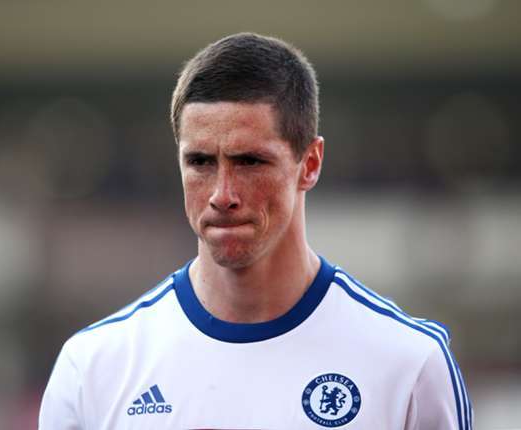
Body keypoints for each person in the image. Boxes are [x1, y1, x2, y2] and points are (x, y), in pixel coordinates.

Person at [39, 32, 472, 429]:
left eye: (249, 161)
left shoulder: (408, 365)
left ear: (310, 164)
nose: (222, 194)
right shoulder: (94, 369)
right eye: (200, 162)